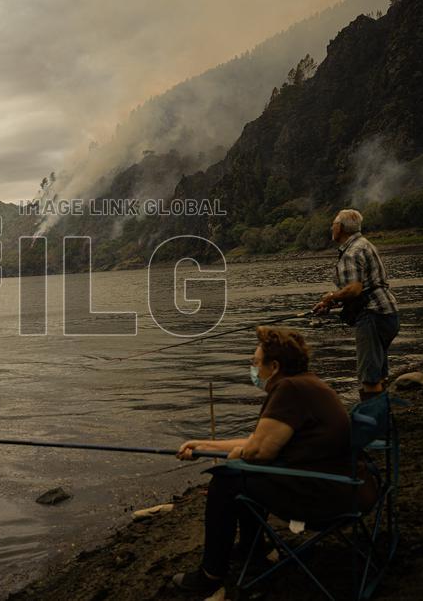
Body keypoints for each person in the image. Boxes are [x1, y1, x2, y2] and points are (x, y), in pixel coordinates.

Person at [171, 326, 377, 596]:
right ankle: (253, 550)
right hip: (350, 486)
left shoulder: (289, 389)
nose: (253, 369)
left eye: (256, 363)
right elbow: (260, 440)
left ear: (275, 365)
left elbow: (258, 451)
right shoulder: (305, 383)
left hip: (328, 497)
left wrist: (237, 456)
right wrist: (204, 445)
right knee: (241, 476)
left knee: (225, 482)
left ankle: (210, 575)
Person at [314, 209, 400, 401]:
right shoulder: (363, 245)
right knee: (378, 372)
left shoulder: (351, 252)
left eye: (334, 223)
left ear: (341, 227)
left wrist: (329, 297)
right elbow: (362, 288)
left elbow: (354, 290)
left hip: (372, 315)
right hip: (387, 312)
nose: (332, 227)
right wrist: (331, 303)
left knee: (369, 378)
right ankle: (382, 418)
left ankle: (372, 425)